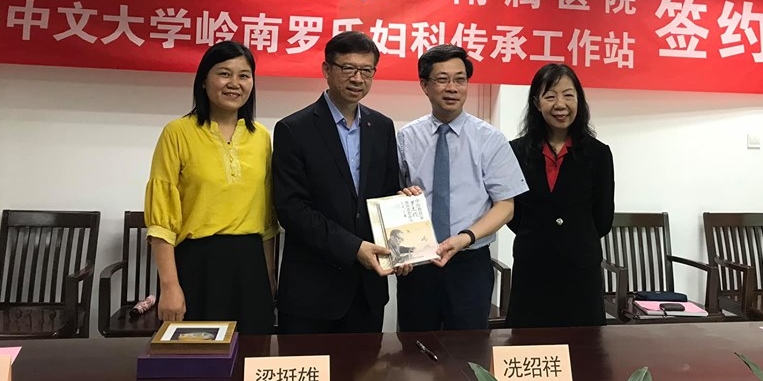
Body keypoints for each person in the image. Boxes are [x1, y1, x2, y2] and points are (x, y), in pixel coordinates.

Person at [273, 31, 405, 334]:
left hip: (367, 291)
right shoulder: (294, 129)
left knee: (366, 367)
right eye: (348, 68)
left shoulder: (382, 127)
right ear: (327, 69)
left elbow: (385, 196)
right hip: (312, 292)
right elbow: (292, 209)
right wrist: (354, 248)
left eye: (366, 70)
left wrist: (402, 242)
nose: (357, 78)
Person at [144, 41, 278, 335]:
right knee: (198, 356)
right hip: (197, 266)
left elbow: (268, 220)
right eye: (224, 73)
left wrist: (269, 278)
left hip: (250, 267)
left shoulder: (261, 137)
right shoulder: (177, 133)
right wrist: (170, 286)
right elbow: (161, 220)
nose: (234, 83)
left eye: (244, 75)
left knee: (253, 353)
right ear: (204, 80)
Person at [397, 44, 528, 331]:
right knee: (414, 348)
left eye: (460, 79)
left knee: (469, 348)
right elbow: (393, 197)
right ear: (425, 85)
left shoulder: (490, 139)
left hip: (470, 262)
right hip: (419, 264)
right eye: (442, 79)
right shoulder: (406, 137)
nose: (452, 88)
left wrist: (466, 237)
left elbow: (506, 206)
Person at [507, 63, 615, 328]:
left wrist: (571, 237)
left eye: (568, 95)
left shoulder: (598, 153)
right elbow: (511, 212)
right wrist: (539, 233)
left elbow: (603, 217)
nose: (560, 104)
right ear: (536, 102)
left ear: (579, 100)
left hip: (580, 266)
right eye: (550, 96)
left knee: (584, 345)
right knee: (528, 342)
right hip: (532, 264)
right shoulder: (515, 151)